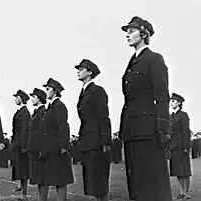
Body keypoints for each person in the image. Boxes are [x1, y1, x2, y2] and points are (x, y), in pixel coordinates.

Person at [119, 16, 172, 201]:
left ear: (144, 34)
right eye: (127, 32)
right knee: (136, 181)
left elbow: (162, 96)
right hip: (132, 129)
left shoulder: (154, 59)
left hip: (148, 129)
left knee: (152, 182)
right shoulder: (133, 62)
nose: (128, 35)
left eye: (131, 31)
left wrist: (163, 128)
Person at [74, 59, 111, 201]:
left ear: (90, 72)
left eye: (81, 69)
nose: (78, 71)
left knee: (99, 181)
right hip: (87, 140)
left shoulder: (97, 91)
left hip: (97, 141)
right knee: (92, 181)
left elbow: (104, 117)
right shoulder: (84, 91)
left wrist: (105, 141)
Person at [39, 78, 74, 201]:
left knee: (60, 179)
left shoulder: (59, 106)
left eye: (48, 89)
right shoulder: (51, 107)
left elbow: (63, 126)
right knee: (54, 177)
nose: (46, 92)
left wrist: (64, 146)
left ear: (55, 91)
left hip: (58, 148)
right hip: (50, 147)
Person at [169, 93, 192, 199]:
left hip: (182, 146)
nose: (171, 103)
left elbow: (186, 131)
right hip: (173, 147)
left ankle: (186, 193)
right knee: (178, 171)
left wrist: (186, 146)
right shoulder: (170, 116)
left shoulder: (183, 115)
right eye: (171, 101)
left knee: (185, 171)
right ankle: (181, 192)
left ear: (179, 103)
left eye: (173, 101)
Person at [27, 88, 47, 200]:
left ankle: (43, 198)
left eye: (34, 97)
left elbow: (42, 132)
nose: (32, 99)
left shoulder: (42, 112)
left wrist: (41, 149)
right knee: (38, 176)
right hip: (34, 148)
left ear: (40, 98)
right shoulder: (36, 112)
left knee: (42, 176)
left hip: (39, 148)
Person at [11, 89, 31, 200]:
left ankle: (24, 195)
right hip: (17, 144)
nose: (15, 99)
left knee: (23, 170)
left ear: (21, 99)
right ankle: (23, 194)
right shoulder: (20, 112)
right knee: (20, 169)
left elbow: (25, 130)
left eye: (17, 97)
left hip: (21, 145)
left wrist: (24, 146)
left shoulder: (24, 113)